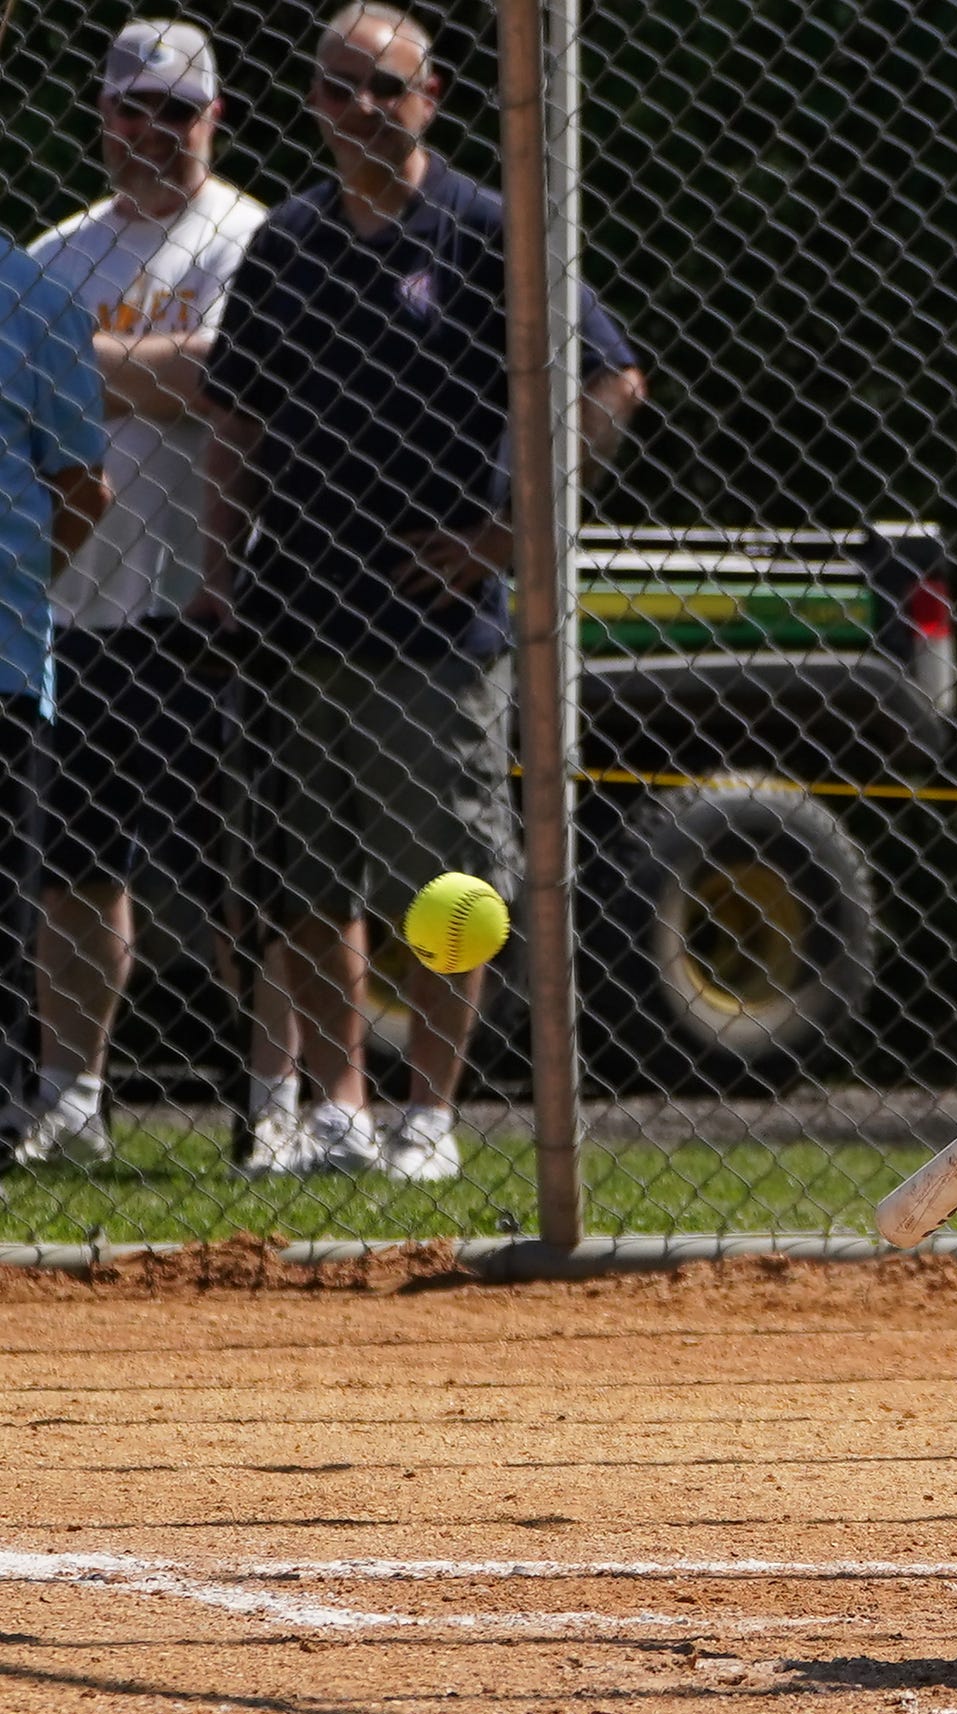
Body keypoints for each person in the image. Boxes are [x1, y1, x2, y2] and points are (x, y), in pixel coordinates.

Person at [195, 3, 645, 1180]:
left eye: (386, 88)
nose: (362, 109)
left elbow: (611, 383)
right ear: (312, 104)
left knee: (446, 884)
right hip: (296, 618)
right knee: (307, 881)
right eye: (340, 88)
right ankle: (339, 1109)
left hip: (435, 634)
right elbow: (234, 417)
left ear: (434, 96)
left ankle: (427, 1118)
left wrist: (507, 538)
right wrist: (216, 569)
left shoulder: (489, 231)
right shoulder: (286, 243)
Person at [22, 20, 272, 1165]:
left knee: (241, 881)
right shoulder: (57, 253)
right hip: (76, 610)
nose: (155, 133)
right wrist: (139, 377)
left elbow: (226, 385)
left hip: (210, 610)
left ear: (214, 117)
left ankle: (273, 1103)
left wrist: (74, 363)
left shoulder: (249, 239)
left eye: (179, 112)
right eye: (135, 108)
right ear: (104, 114)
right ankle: (73, 1100)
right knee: (75, 871)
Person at [0, 227, 113, 1154]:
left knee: (7, 905)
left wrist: (20, 591)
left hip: (0, 658)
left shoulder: (38, 299)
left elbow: (84, 487)